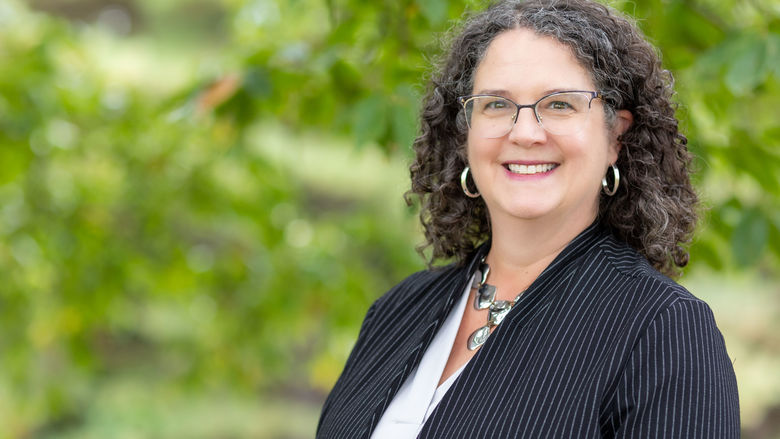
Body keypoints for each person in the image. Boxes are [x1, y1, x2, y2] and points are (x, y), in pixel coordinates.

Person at [317, 0, 740, 437]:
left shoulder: (662, 330)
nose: (524, 132)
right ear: (466, 133)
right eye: (496, 104)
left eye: (559, 104)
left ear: (615, 135)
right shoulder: (397, 310)